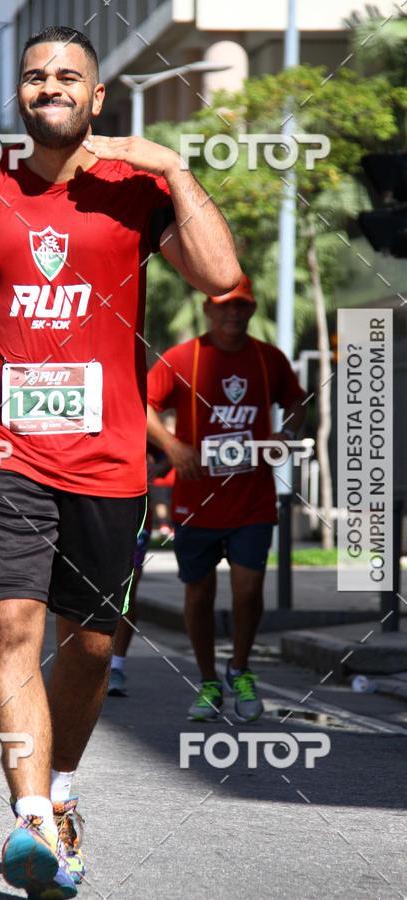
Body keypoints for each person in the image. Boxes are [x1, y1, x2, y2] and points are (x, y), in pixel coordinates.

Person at [0, 25, 240, 898]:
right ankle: (31, 821)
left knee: (91, 645)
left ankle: (60, 789)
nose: (50, 86)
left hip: (109, 460)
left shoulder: (133, 192)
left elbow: (219, 274)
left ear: (97, 97)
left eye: (69, 75)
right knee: (11, 626)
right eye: (36, 76)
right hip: (2, 449)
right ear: (22, 95)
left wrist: (173, 166)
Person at [147, 275, 306, 722]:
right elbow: (142, 403)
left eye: (241, 307)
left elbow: (297, 403)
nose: (232, 314)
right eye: (224, 307)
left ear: (252, 311)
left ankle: (240, 668)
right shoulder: (183, 358)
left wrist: (286, 433)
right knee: (198, 595)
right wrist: (173, 447)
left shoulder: (267, 358)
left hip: (252, 499)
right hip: (195, 500)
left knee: (248, 589)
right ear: (207, 310)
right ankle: (208, 679)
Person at [107, 449, 171, 697]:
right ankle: (80, 656)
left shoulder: (139, 413)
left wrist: (158, 466)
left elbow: (172, 453)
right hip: (88, 510)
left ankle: (116, 666)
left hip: (134, 517)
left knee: (126, 591)